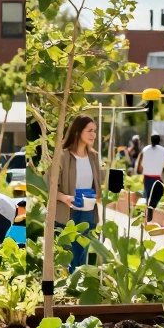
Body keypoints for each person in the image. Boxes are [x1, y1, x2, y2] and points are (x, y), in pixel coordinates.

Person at [55, 115, 103, 273]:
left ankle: (79, 286)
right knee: (69, 254)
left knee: (84, 253)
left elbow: (98, 184)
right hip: (67, 211)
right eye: (89, 131)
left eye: (95, 131)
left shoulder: (93, 157)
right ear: (77, 132)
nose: (93, 135)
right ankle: (67, 288)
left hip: (88, 210)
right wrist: (64, 197)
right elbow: (50, 186)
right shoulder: (62, 157)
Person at [136, 134, 164, 222]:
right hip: (157, 178)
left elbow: (139, 166)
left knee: (148, 198)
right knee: (155, 198)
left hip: (147, 178)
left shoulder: (145, 149)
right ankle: (149, 217)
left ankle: (147, 218)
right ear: (159, 141)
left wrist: (142, 172)